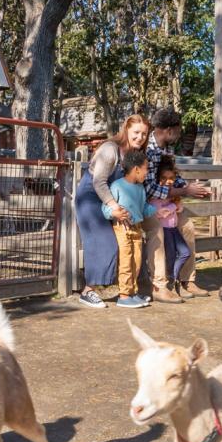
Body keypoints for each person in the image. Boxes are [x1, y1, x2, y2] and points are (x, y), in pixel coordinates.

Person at [74, 114, 151, 308]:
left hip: (112, 202)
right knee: (106, 243)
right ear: (126, 130)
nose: (140, 137)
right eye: (136, 132)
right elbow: (99, 181)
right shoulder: (110, 150)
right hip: (92, 199)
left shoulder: (134, 156)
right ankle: (88, 291)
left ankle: (127, 291)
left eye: (144, 134)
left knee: (129, 246)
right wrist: (114, 207)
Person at [143, 107, 212, 304]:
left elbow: (173, 176)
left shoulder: (167, 149)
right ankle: (159, 285)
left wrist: (193, 188)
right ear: (169, 129)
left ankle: (186, 280)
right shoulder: (148, 149)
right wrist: (185, 191)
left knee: (188, 227)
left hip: (165, 204)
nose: (179, 134)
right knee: (157, 230)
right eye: (178, 130)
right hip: (147, 206)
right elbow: (149, 189)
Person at [103, 150, 158, 308]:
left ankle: (132, 293)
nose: (147, 173)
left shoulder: (140, 188)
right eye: (146, 169)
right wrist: (116, 213)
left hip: (137, 229)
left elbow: (143, 208)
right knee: (126, 261)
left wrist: (157, 211)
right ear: (136, 169)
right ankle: (124, 295)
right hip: (122, 228)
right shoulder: (117, 186)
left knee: (137, 261)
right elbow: (106, 208)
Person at [149, 156, 193, 297]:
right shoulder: (156, 195)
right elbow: (161, 212)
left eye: (171, 178)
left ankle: (174, 279)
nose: (168, 181)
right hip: (165, 230)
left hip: (173, 229)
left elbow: (176, 208)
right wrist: (174, 206)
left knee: (185, 252)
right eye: (164, 178)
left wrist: (176, 206)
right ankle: (171, 283)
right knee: (171, 255)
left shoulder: (172, 193)